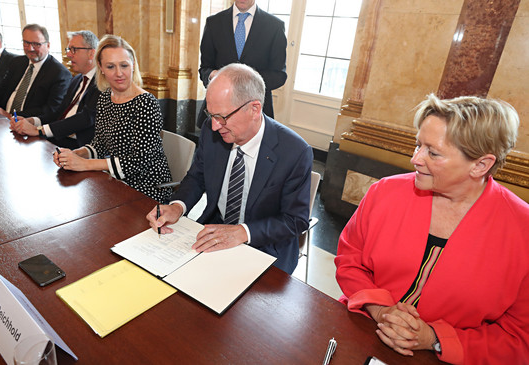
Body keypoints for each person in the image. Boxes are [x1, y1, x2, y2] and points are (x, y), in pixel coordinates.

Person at [335, 94, 529, 364]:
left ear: (481, 165)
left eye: (433, 153)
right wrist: (380, 309)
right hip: (363, 328)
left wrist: (435, 338)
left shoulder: (523, 231)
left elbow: (519, 337)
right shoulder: (384, 192)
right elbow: (349, 260)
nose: (415, 159)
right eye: (418, 145)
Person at [146, 63, 312, 274]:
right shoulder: (212, 130)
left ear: (254, 109)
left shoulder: (294, 151)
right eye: (211, 115)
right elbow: (197, 177)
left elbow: (295, 220)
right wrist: (178, 206)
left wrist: (242, 232)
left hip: (266, 247)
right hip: (214, 231)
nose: (215, 126)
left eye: (222, 117)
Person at [53, 35, 172, 203]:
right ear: (100, 67)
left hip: (148, 188)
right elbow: (100, 144)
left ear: (133, 66)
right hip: (117, 181)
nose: (119, 73)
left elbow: (139, 162)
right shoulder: (105, 97)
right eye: (110, 67)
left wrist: (85, 164)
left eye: (124, 65)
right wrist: (74, 154)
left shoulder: (146, 103)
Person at [0, 24, 71, 123]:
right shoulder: (18, 62)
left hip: (26, 125)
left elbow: (50, 111)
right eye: (26, 43)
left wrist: (10, 116)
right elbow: (0, 91)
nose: (30, 48)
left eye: (36, 44)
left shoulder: (59, 73)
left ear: (48, 45)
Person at [197, 0, 287, 126]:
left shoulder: (274, 26)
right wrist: (215, 75)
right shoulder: (214, 22)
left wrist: (248, 81)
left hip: (255, 115)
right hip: (217, 117)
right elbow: (204, 69)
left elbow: (279, 75)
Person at [10, 30, 100, 149]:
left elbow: (85, 119)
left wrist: (39, 130)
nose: (68, 55)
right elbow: (58, 112)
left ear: (91, 53)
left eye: (74, 49)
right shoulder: (77, 79)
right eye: (68, 50)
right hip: (57, 139)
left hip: (80, 147)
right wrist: (33, 121)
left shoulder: (102, 83)